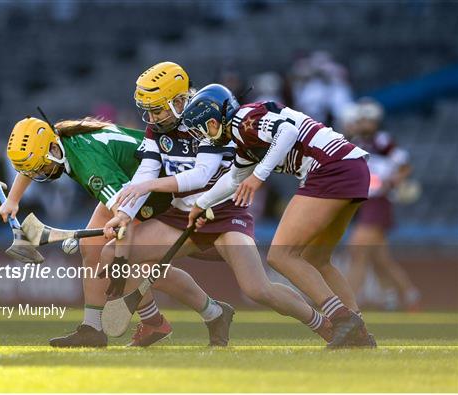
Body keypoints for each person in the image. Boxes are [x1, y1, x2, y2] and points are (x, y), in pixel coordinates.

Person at [101, 63, 336, 346]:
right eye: (148, 110)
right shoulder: (156, 130)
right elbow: (146, 172)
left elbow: (201, 175)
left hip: (223, 214)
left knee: (257, 288)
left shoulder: (206, 115)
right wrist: (124, 214)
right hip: (183, 217)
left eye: (157, 109)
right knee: (113, 255)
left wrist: (148, 186)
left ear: (178, 101)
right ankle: (170, 321)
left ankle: (325, 325)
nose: (151, 117)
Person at [0, 107, 231, 347]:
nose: (40, 174)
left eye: (41, 168)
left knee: (134, 262)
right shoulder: (59, 140)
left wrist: (120, 257)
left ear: (53, 149)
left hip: (158, 192)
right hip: (129, 184)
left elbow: (125, 214)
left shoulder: (90, 165)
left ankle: (210, 313)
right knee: (91, 246)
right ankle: (92, 328)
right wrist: (12, 200)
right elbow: (31, 163)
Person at [182, 84, 376, 347]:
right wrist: (201, 204)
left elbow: (288, 132)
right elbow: (233, 179)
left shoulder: (243, 120)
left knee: (281, 255)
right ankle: (359, 332)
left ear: (217, 119)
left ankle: (343, 319)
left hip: (331, 169)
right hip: (350, 167)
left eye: (203, 127)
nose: (203, 135)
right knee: (316, 259)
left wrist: (259, 177)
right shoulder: (243, 138)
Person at [346, 99, 421, 310]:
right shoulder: (357, 141)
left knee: (357, 249)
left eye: (365, 119)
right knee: (380, 258)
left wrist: (395, 179)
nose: (361, 123)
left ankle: (347, 304)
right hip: (364, 202)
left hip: (378, 201)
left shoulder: (383, 141)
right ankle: (409, 295)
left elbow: (405, 166)